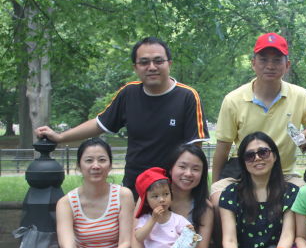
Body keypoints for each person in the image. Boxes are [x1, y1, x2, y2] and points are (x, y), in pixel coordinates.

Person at [35, 37, 209, 190]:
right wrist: (60, 137)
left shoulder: (187, 96)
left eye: (158, 61)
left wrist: (187, 188)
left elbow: (194, 149)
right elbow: (99, 124)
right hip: (135, 185)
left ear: (169, 63)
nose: (152, 67)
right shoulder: (128, 93)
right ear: (135, 67)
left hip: (172, 188)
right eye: (144, 62)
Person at [212, 32, 306, 187]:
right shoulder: (233, 100)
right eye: (263, 60)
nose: (270, 66)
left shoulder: (300, 95)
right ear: (253, 63)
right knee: (219, 193)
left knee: (304, 196)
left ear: (287, 65)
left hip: (285, 175)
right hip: (245, 174)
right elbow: (222, 148)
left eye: (277, 60)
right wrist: (214, 186)